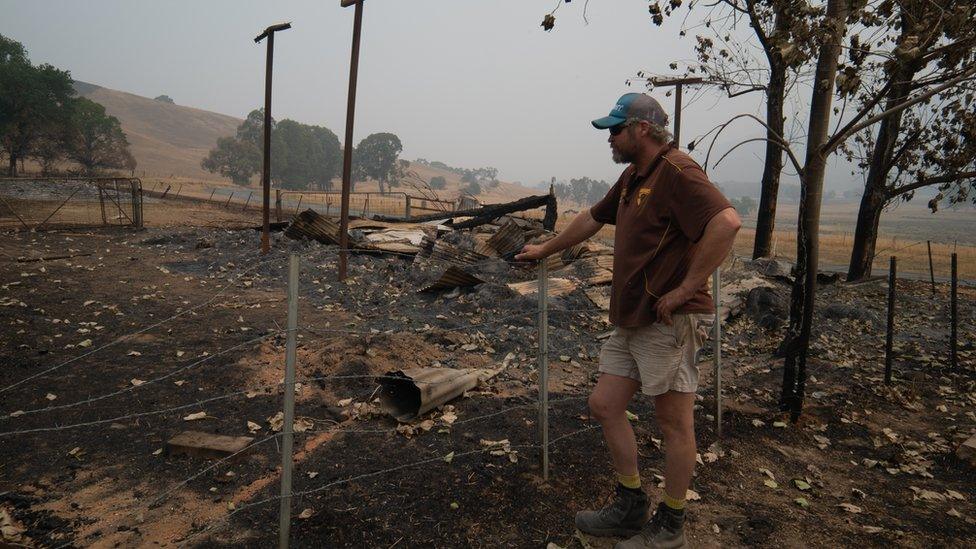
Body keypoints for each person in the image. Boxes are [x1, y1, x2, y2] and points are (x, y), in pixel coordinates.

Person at [516, 93, 741, 548]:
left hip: (668, 319)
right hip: (632, 318)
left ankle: (671, 525)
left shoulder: (678, 171)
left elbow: (727, 222)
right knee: (604, 404)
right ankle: (631, 504)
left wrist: (684, 289)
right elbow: (592, 219)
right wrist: (544, 250)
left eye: (615, 130)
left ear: (642, 129)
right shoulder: (632, 176)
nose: (610, 138)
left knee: (674, 423)